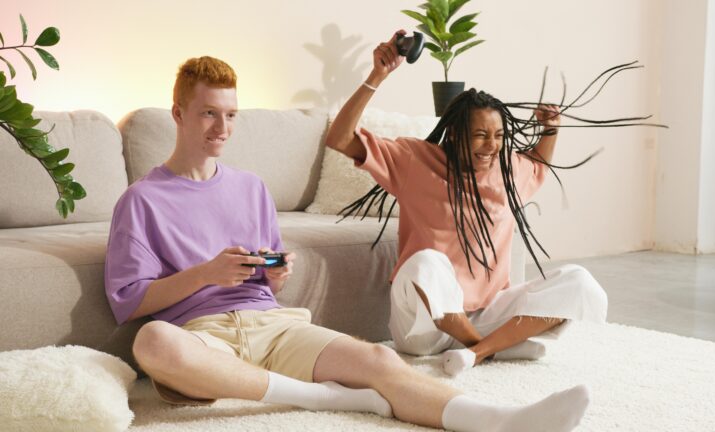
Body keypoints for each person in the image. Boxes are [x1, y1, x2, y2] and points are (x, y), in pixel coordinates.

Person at [104, 55, 592, 431]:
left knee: (379, 359)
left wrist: (273, 275)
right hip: (200, 333)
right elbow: (130, 304)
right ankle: (323, 398)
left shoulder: (250, 187)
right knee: (152, 342)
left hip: (270, 323)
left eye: (230, 115)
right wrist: (205, 274)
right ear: (178, 113)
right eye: (209, 113)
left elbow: (266, 284)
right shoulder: (142, 200)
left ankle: (501, 420)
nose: (222, 128)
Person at [325, 30, 608, 378]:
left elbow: (538, 164)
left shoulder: (508, 169)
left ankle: (476, 351)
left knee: (578, 282)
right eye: (480, 135)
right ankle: (492, 348)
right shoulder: (415, 159)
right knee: (424, 262)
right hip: (424, 326)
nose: (492, 145)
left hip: (486, 312)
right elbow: (339, 138)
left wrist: (550, 129)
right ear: (456, 134)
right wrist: (377, 76)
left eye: (499, 135)